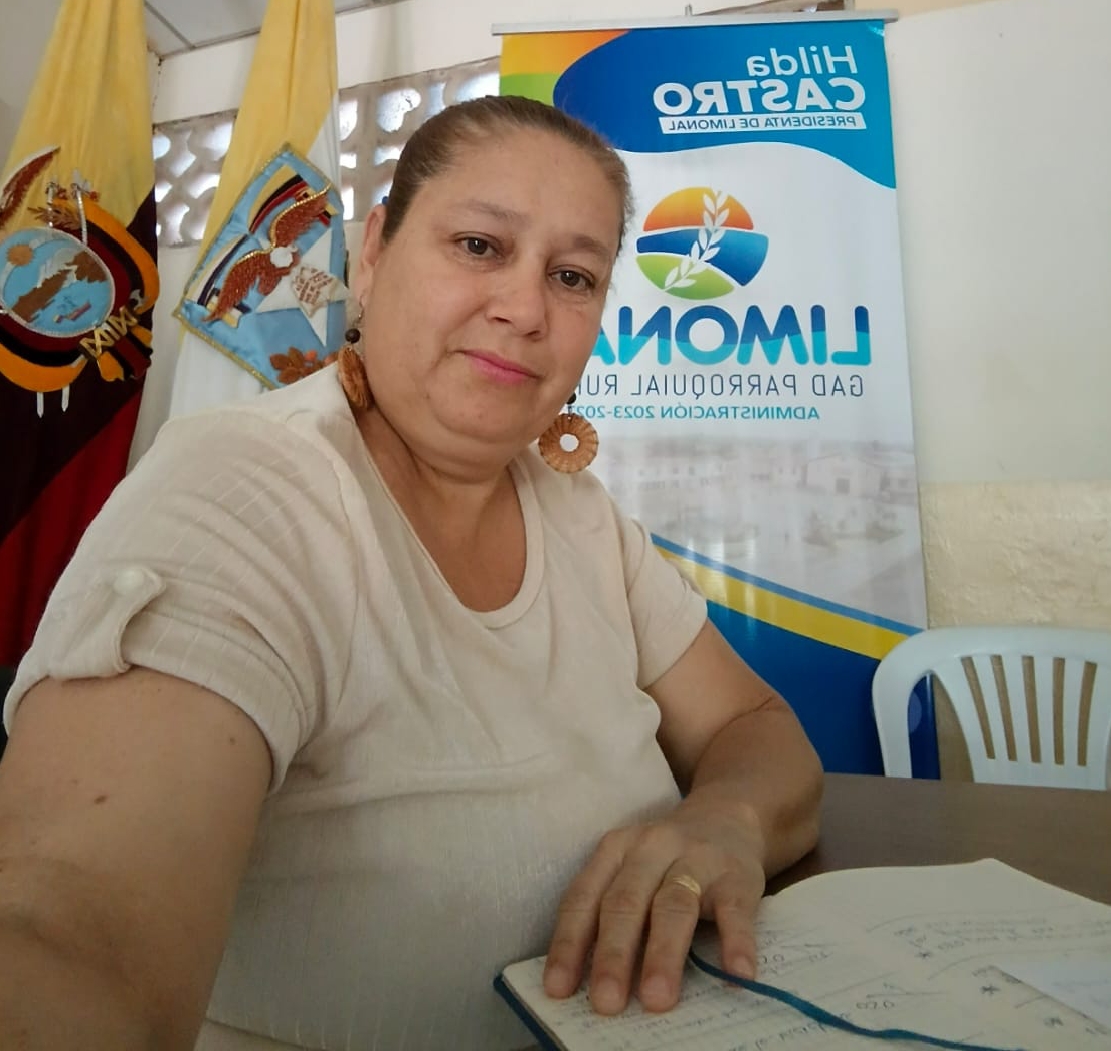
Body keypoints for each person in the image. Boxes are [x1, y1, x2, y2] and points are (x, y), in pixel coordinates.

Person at [0, 96, 823, 1050]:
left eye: (571, 275)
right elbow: (70, 923)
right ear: (375, 251)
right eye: (479, 245)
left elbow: (754, 726)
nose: (524, 309)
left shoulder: (582, 515)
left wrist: (726, 820)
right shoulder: (242, 490)